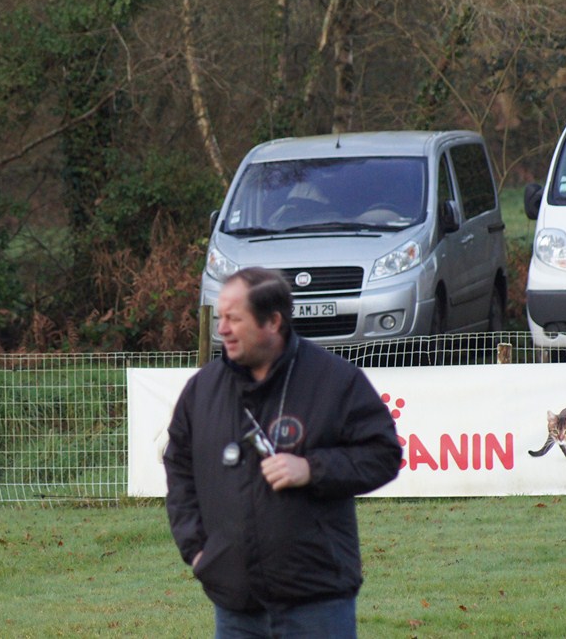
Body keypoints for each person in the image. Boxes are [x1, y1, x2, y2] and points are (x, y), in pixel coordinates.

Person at [163, 268, 401, 638]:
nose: (221, 328)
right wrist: (199, 552)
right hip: (235, 607)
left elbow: (383, 454)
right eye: (220, 317)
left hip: (317, 603)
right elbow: (179, 469)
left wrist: (312, 468)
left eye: (234, 318)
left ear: (272, 321)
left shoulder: (335, 380)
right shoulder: (202, 391)